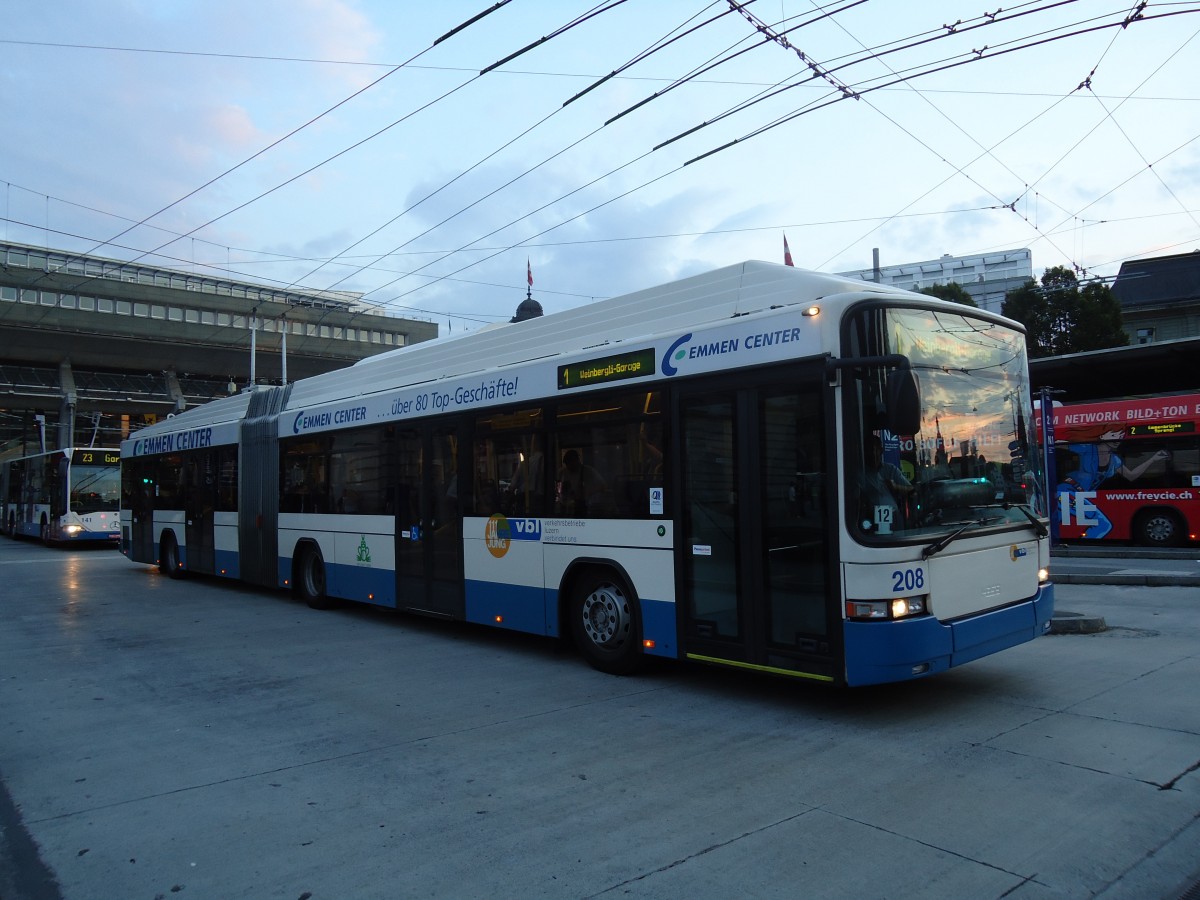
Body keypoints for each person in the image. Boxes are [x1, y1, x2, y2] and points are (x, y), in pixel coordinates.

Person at [1058, 430, 1169, 537]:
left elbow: (1131, 476)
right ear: (1102, 436)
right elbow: (1059, 445)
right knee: (1103, 525)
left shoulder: (1115, 460)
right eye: (1113, 434)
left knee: (1053, 524)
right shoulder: (1087, 448)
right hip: (1066, 491)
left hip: (1080, 495)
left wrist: (1153, 459)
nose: (1117, 438)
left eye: (1120, 435)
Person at [858, 434, 913, 533]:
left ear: (881, 451)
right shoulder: (860, 474)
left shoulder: (891, 469)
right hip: (869, 518)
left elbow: (911, 489)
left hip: (894, 516)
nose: (873, 453)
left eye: (876, 450)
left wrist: (896, 487)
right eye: (869, 450)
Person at [556, 449, 608, 516]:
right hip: (565, 508)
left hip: (584, 507)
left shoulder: (588, 471)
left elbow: (603, 486)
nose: (569, 466)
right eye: (567, 463)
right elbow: (556, 486)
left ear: (577, 460)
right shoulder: (561, 472)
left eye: (571, 462)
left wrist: (588, 493)